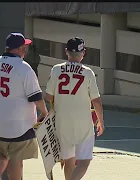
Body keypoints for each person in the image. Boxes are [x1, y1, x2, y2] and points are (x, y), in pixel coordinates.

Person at [0, 32, 48, 180]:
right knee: (16, 158)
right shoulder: (24, 68)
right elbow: (36, 97)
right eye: (24, 47)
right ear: (19, 49)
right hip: (19, 125)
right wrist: (45, 112)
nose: (25, 50)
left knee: (0, 152)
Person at [45, 37, 105, 180]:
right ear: (83, 53)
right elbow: (96, 101)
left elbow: (48, 96)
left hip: (62, 121)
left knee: (68, 160)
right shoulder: (88, 72)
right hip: (82, 122)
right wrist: (101, 121)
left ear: (66, 51)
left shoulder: (56, 70)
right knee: (84, 160)